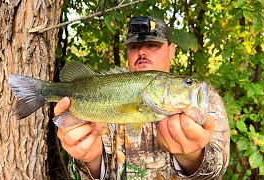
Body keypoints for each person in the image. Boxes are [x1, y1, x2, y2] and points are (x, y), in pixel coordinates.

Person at [55, 16, 230, 179]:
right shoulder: (111, 91)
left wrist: (192, 157)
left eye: (153, 45)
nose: (142, 52)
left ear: (171, 51)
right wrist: (90, 160)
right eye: (134, 47)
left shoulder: (199, 98)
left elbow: (217, 170)